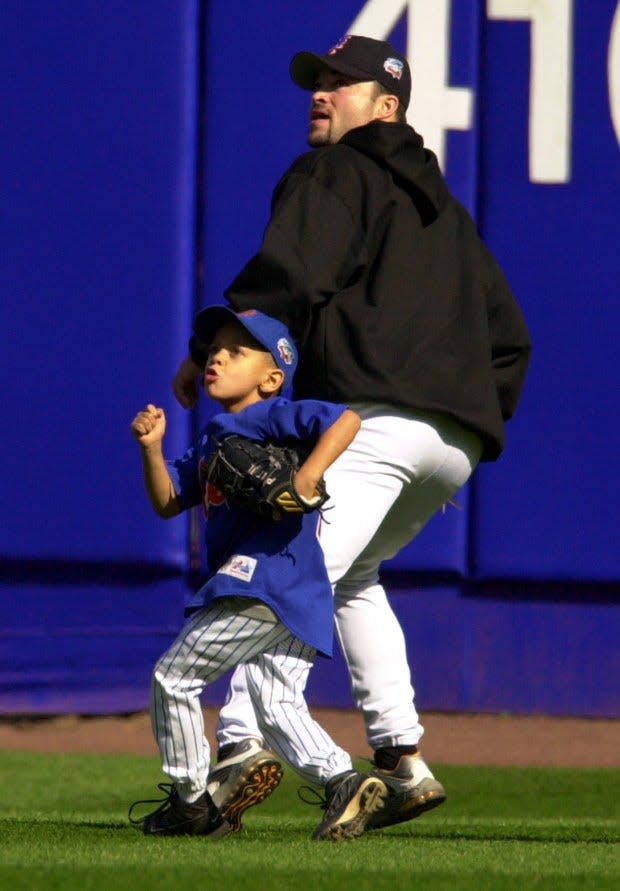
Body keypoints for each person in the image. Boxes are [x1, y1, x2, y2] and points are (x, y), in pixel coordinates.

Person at [173, 35, 531, 832]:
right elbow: (510, 338)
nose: (323, 92)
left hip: (366, 427)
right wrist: (462, 426)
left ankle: (237, 748)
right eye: (319, 80)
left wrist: (217, 349)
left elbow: (290, 273)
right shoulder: (450, 216)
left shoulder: (334, 172)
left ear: (388, 105)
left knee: (280, 578)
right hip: (447, 447)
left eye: (344, 83)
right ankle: (402, 757)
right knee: (353, 578)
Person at [128, 305, 390, 840]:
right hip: (298, 591)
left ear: (272, 377)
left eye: (236, 351)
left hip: (263, 580)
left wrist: (309, 476)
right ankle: (342, 782)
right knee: (274, 703)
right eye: (214, 349)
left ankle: (191, 799)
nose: (217, 357)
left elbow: (347, 419)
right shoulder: (214, 436)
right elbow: (169, 500)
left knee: (173, 677)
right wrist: (153, 450)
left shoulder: (268, 416)